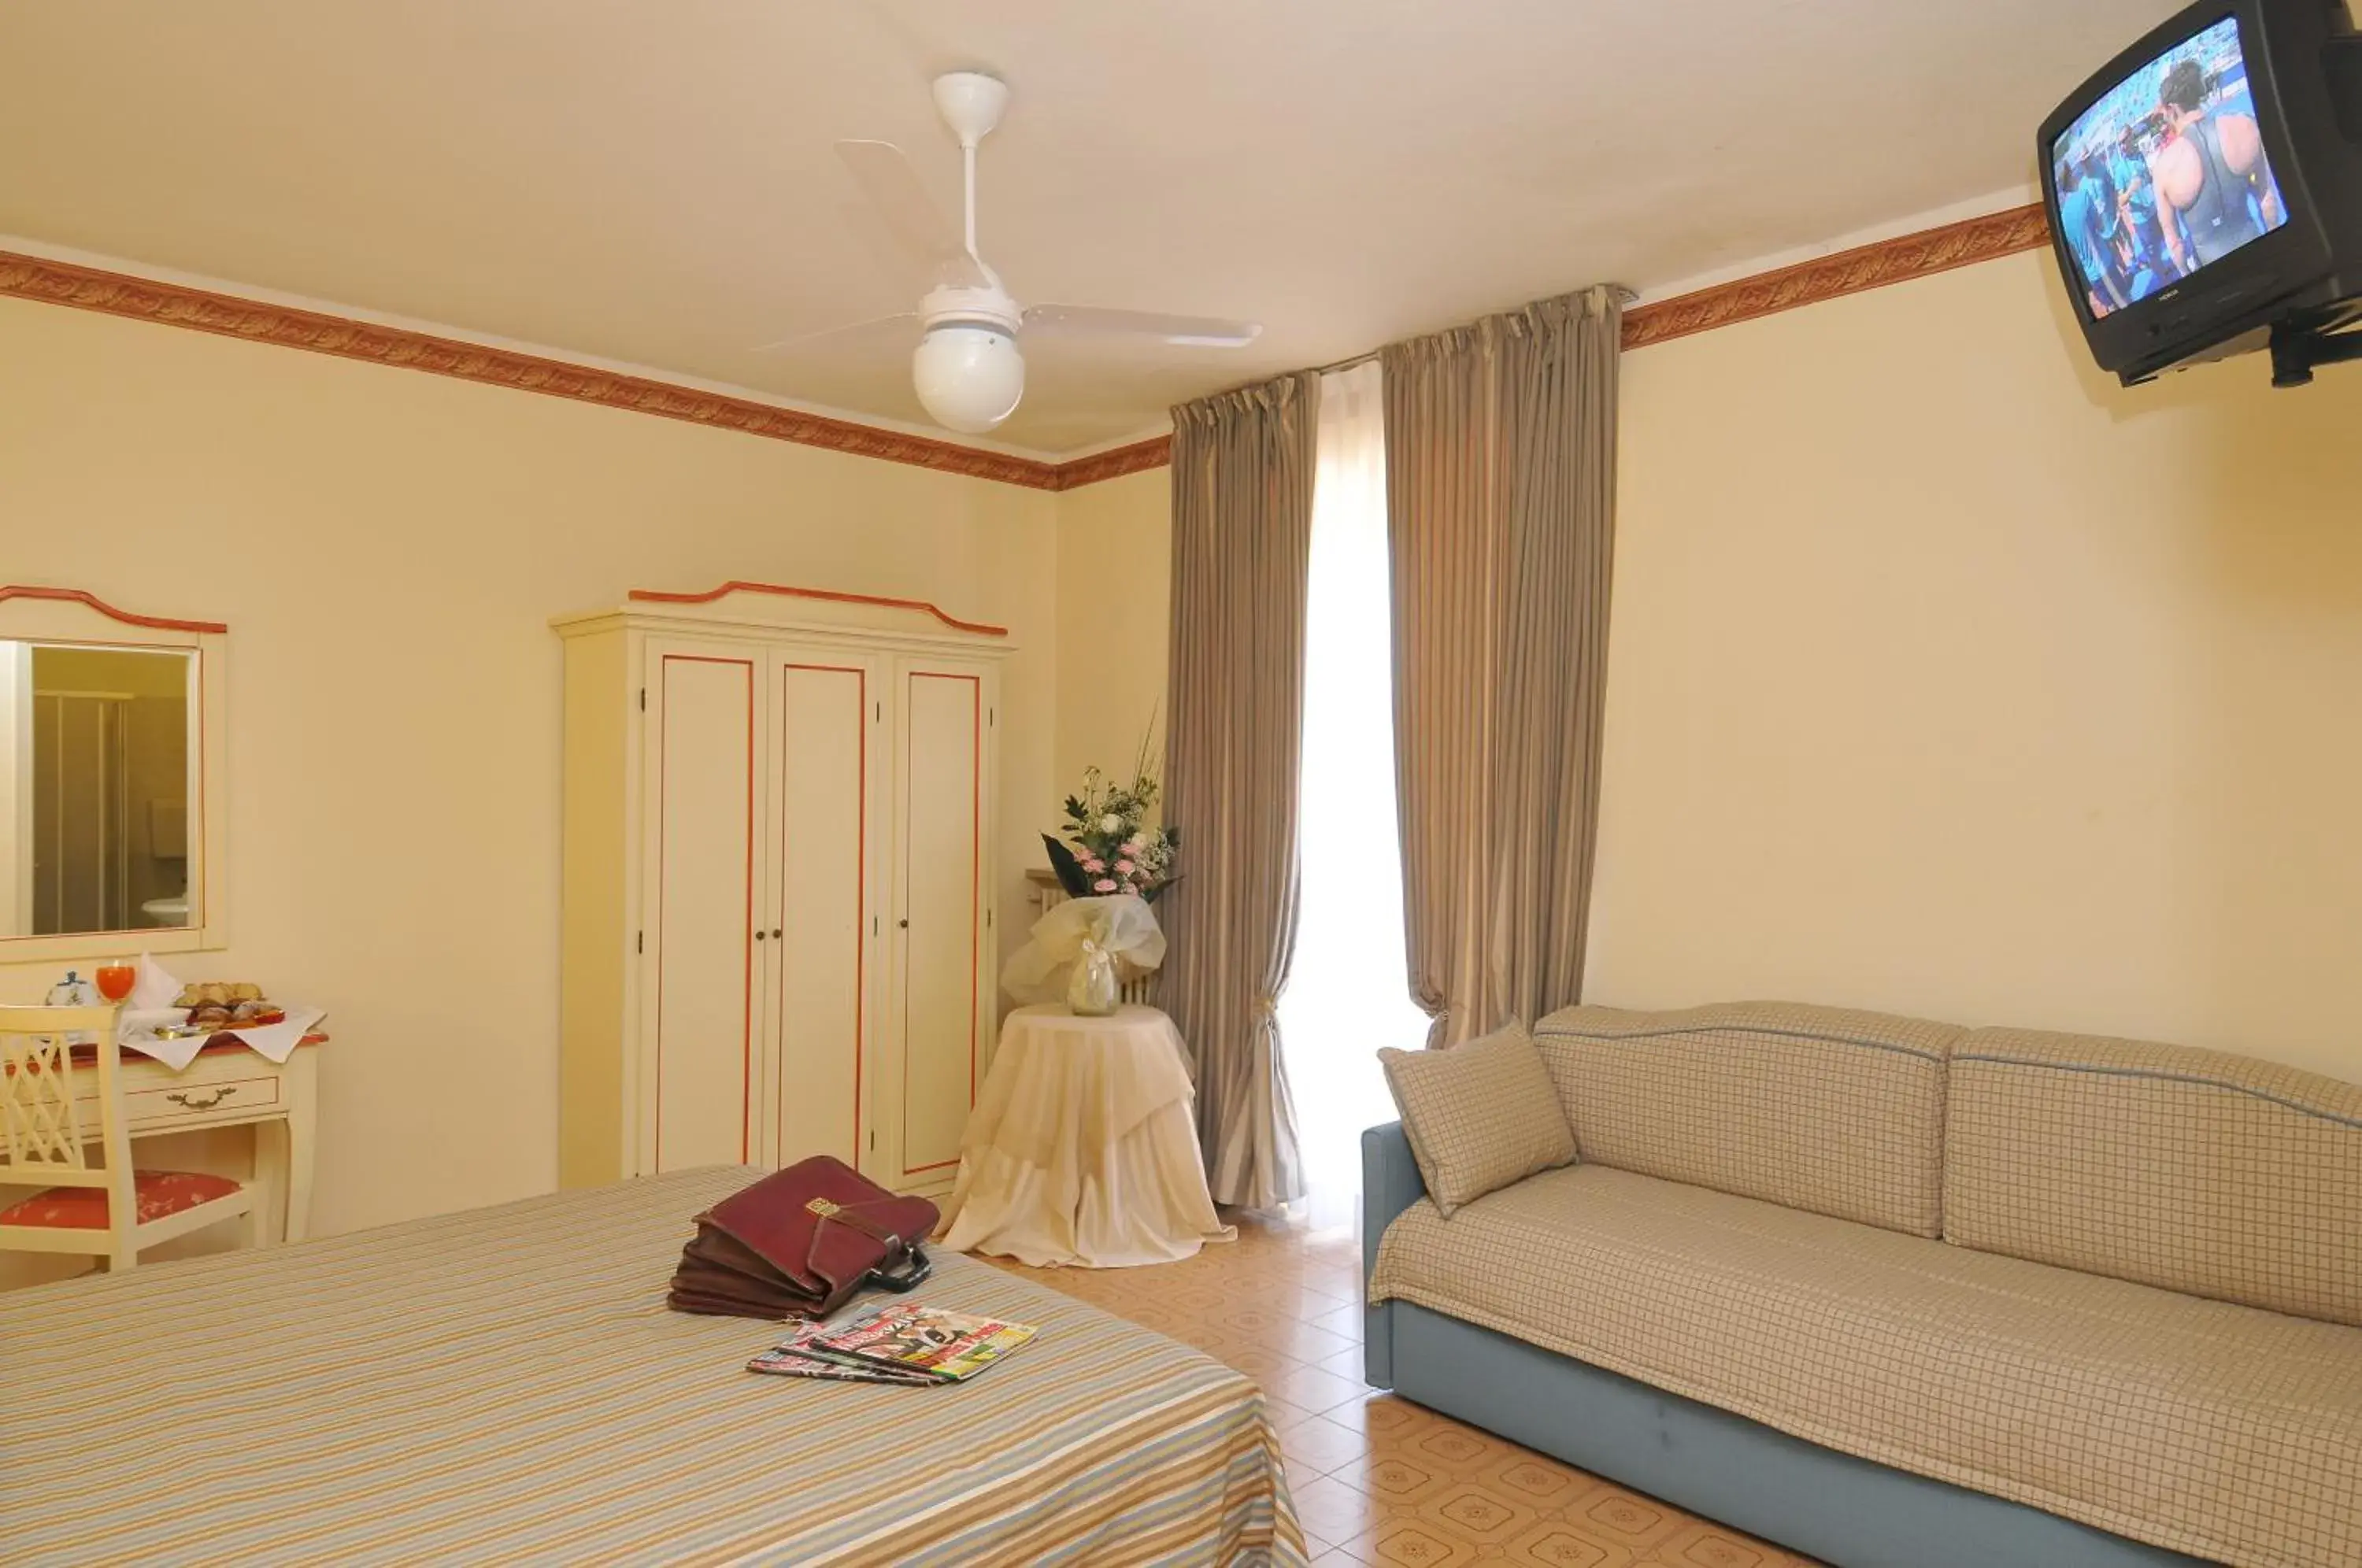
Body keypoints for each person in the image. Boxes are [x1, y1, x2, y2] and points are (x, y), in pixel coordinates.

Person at [2148, 57, 2282, 271]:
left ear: (2172, 108)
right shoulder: (2244, 126)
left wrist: (2187, 275)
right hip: (2259, 254)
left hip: (2215, 275)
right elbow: (2267, 200)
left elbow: (2175, 246)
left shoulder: (2164, 168)